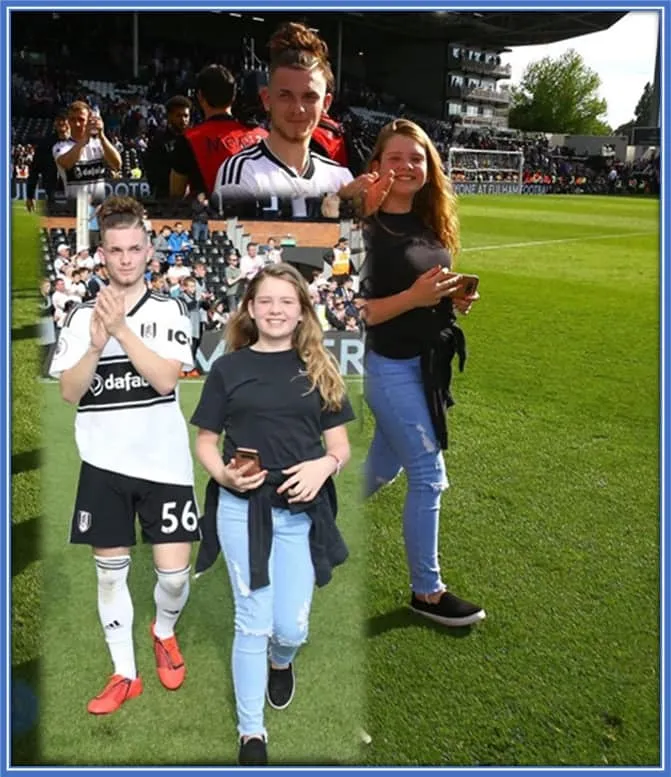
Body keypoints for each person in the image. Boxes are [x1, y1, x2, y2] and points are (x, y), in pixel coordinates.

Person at [190, 263, 354, 765]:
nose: (276, 310)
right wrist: (223, 476)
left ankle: (281, 661)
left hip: (301, 513)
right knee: (252, 620)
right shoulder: (228, 368)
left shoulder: (321, 367)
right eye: (266, 302)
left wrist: (323, 467)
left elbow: (341, 447)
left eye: (287, 301)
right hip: (243, 511)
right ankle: (251, 733)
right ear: (251, 309)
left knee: (291, 629)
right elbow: (206, 442)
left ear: (303, 309)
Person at [48, 195, 200, 715]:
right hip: (104, 468)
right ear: (102, 254)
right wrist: (93, 344)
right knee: (109, 573)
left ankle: (163, 631)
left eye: (135, 248)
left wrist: (119, 331)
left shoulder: (169, 308)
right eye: (116, 250)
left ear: (149, 249)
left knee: (173, 577)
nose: (126, 258)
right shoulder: (79, 316)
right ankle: (124, 673)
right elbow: (70, 392)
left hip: (165, 467)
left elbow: (163, 379)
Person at [348, 118, 486, 628]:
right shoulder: (365, 229)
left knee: (384, 468)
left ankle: (298, 514)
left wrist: (452, 296)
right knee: (430, 474)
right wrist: (414, 298)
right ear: (377, 166)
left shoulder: (427, 223)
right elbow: (351, 310)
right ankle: (426, 593)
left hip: (425, 363)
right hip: (388, 366)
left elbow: (426, 285)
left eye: (417, 158)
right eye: (395, 158)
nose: (407, 166)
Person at [213, 23, 353, 218]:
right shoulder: (242, 171)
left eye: (310, 97)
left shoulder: (341, 178)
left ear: (326, 104)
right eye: (285, 96)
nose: (298, 109)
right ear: (267, 99)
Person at [170, 65, 268, 198]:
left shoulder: (188, 140)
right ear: (233, 96)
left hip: (209, 215)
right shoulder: (263, 136)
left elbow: (176, 194)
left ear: (200, 97)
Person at [53, 101, 122, 204]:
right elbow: (67, 164)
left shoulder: (99, 144)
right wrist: (85, 138)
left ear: (88, 120)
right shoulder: (60, 147)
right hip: (73, 208)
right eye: (72, 120)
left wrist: (102, 136)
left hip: (98, 208)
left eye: (81, 120)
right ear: (68, 122)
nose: (77, 124)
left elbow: (117, 165)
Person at [143, 95, 192, 200]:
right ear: (169, 116)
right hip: (165, 198)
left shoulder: (193, 139)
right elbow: (153, 171)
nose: (183, 120)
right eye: (179, 116)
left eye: (186, 116)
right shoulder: (158, 141)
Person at [26, 112, 69, 213]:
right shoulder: (45, 144)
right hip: (52, 190)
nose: (61, 122)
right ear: (54, 123)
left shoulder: (78, 143)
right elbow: (34, 171)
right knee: (54, 224)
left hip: (75, 191)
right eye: (59, 120)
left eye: (64, 119)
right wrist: (30, 196)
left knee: (75, 226)